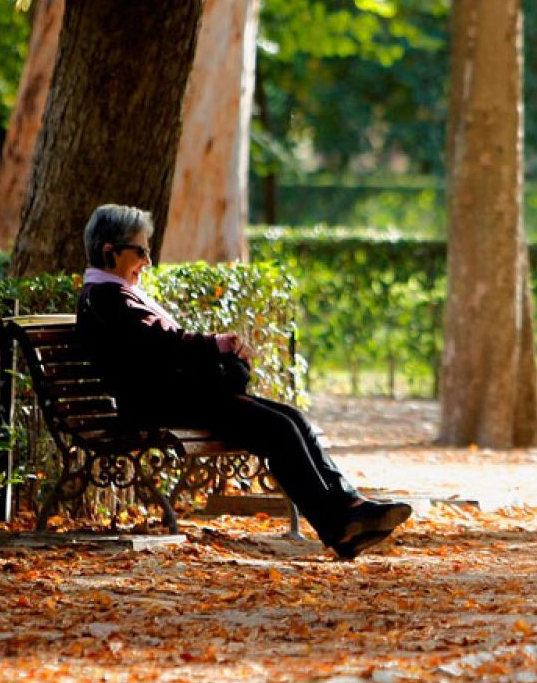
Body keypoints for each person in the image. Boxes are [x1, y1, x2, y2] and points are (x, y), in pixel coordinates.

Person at [75, 203, 411, 560]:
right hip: (158, 404)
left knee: (291, 419)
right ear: (109, 251)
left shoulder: (116, 293)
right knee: (277, 428)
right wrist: (218, 346)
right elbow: (163, 344)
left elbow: (163, 345)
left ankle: (348, 506)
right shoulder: (105, 298)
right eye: (141, 251)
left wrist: (218, 351)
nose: (147, 260)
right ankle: (339, 524)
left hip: (175, 397)